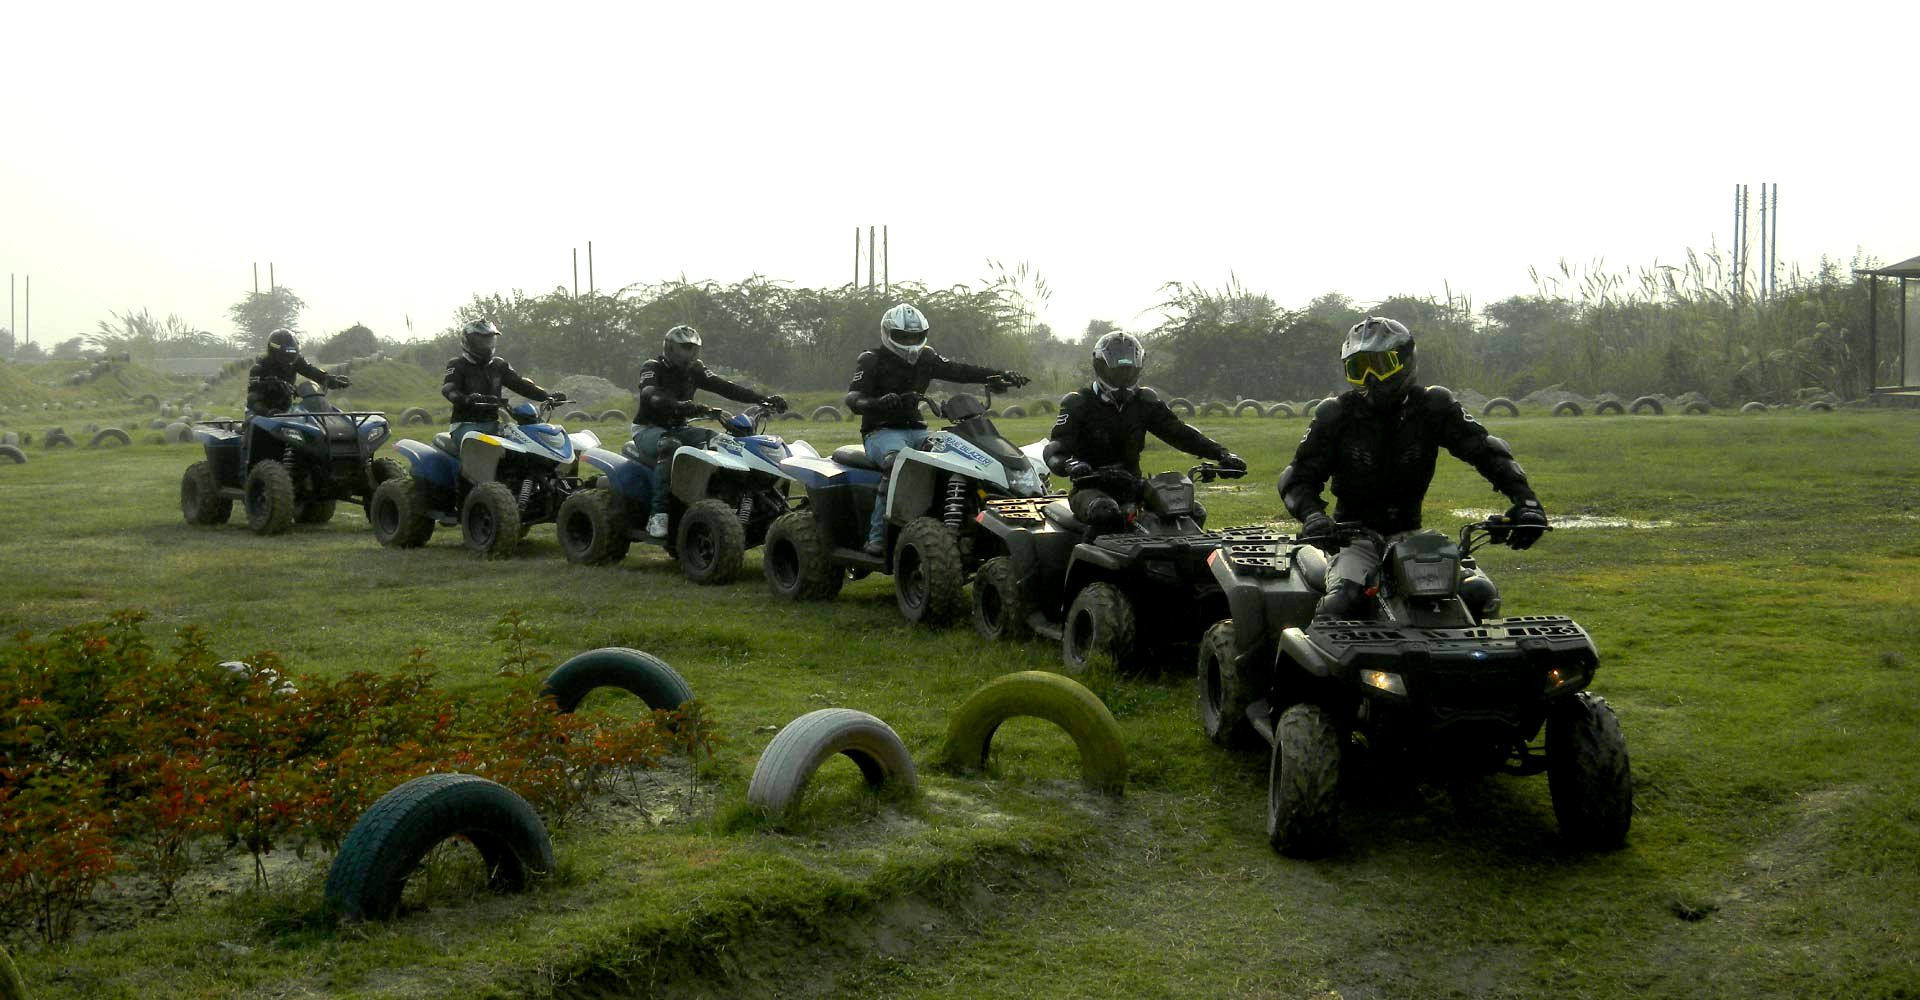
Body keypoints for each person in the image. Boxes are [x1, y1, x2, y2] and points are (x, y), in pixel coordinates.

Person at [1277, 316, 1548, 619]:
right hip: (1352, 540)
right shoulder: (1337, 414)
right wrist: (1314, 517)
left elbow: (1487, 452)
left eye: (1381, 365)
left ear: (1405, 362)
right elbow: (1297, 477)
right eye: (1359, 368)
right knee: (1344, 603)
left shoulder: (1432, 407)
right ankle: (1315, 661)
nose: (1371, 378)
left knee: (1478, 595)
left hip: (1414, 536)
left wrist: (1527, 503)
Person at [844, 303, 1029, 555]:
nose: (910, 342)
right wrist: (876, 403)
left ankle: (956, 520)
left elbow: (959, 370)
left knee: (958, 457)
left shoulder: (926, 357)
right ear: (888, 334)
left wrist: (997, 375)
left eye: (915, 336)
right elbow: (853, 398)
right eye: (903, 336)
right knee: (895, 461)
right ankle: (877, 536)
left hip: (918, 430)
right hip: (880, 432)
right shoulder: (871, 359)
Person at [1043, 331, 1245, 531]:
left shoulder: (1145, 401)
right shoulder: (1079, 402)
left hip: (1134, 486)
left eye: (1129, 371)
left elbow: (1180, 433)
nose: (1123, 377)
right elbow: (1056, 448)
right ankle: (1084, 563)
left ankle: (1189, 562)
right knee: (1105, 513)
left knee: (1191, 511)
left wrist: (1222, 454)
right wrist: (1073, 465)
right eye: (1117, 371)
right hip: (1090, 487)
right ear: (1100, 367)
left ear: (1138, 369)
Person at [631, 324, 789, 538]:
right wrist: (689, 406)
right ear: (670, 348)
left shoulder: (695, 369)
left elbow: (725, 386)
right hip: (648, 429)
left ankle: (720, 499)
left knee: (722, 441)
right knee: (669, 445)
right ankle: (658, 515)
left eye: (694, 349)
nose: (689, 354)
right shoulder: (653, 367)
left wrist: (762, 398)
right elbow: (652, 396)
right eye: (684, 348)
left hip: (680, 428)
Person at [439, 319, 566, 449]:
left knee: (521, 449)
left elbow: (521, 385)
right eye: (481, 342)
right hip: (465, 425)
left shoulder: (499, 365)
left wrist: (547, 396)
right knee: (483, 450)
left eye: (489, 341)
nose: (486, 346)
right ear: (468, 342)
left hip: (494, 424)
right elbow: (449, 389)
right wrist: (466, 399)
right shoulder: (457, 364)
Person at [245, 328, 350, 415]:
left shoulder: (296, 361)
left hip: (286, 410)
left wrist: (330, 379)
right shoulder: (260, 368)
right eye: (285, 353)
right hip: (262, 412)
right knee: (255, 419)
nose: (289, 357)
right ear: (274, 351)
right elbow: (252, 399)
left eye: (292, 352)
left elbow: (311, 371)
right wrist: (268, 411)